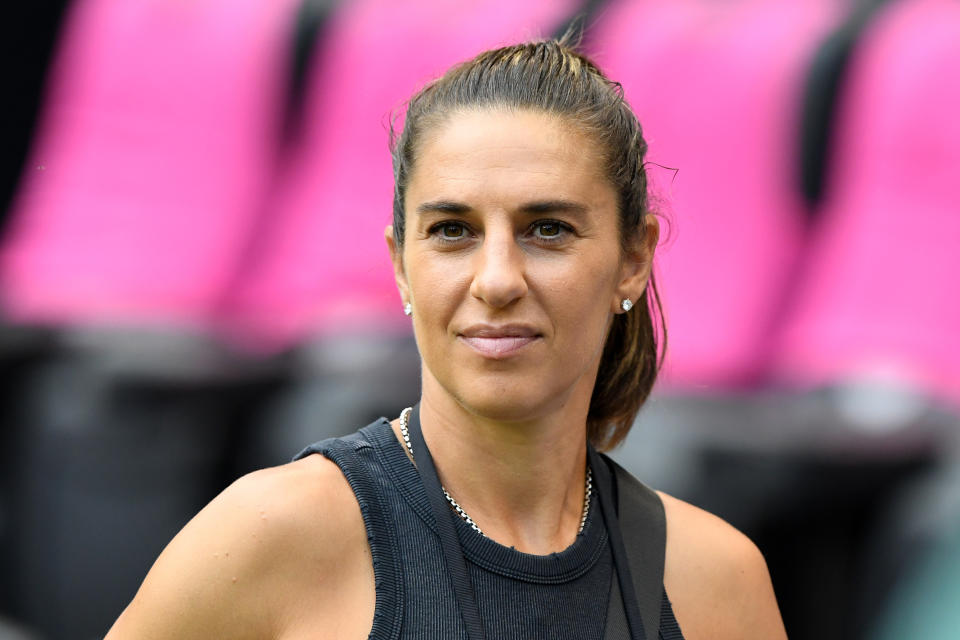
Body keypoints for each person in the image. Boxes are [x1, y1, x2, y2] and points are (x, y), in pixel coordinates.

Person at [105, 39, 786, 639]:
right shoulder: (271, 535)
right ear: (402, 264)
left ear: (633, 259)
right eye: (452, 231)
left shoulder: (715, 581)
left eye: (548, 228)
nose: (495, 280)